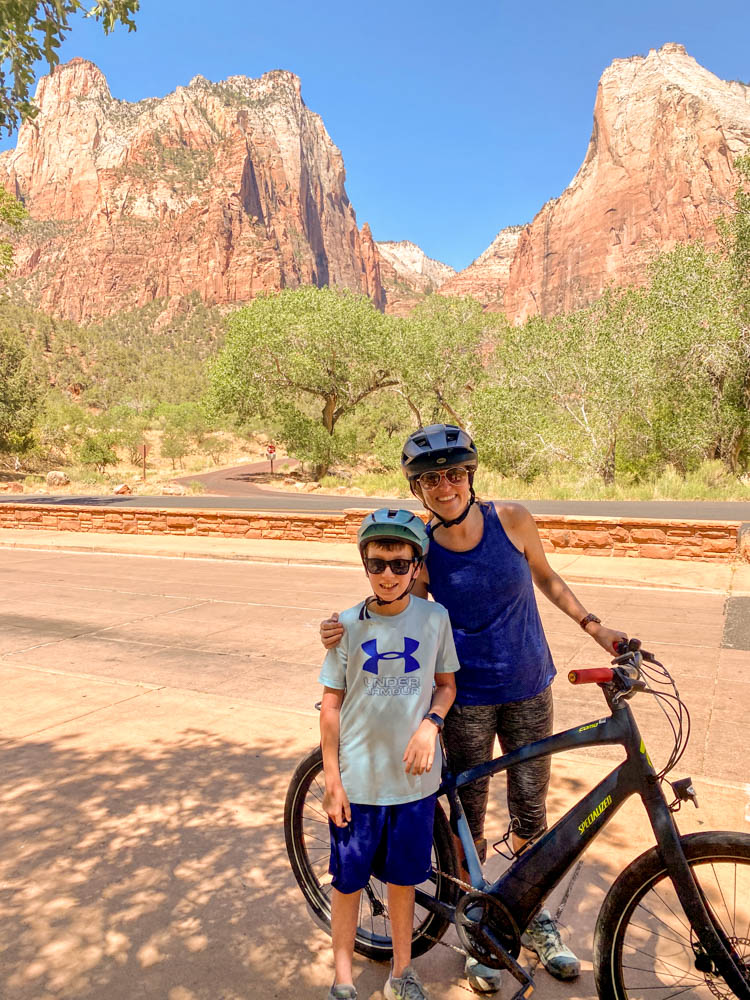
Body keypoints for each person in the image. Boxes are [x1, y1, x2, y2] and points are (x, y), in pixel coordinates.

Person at [321, 425, 627, 995]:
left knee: (532, 813)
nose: (445, 486)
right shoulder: (425, 550)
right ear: (418, 489)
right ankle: (479, 933)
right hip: (466, 699)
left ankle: (532, 920)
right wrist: (340, 635)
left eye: (454, 473)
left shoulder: (512, 519)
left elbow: (547, 577)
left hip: (530, 686)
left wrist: (595, 627)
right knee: (469, 822)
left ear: (470, 475)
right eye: (431, 478)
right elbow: (395, 609)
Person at [320, 507, 459, 1000]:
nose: (387, 574)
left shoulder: (434, 618)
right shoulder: (344, 626)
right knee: (348, 882)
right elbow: (331, 705)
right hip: (358, 782)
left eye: (400, 564)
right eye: (376, 564)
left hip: (412, 782)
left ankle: (403, 971)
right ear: (364, 564)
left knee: (404, 880)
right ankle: (342, 978)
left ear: (417, 566)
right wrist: (333, 780)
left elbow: (446, 686)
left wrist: (431, 725)